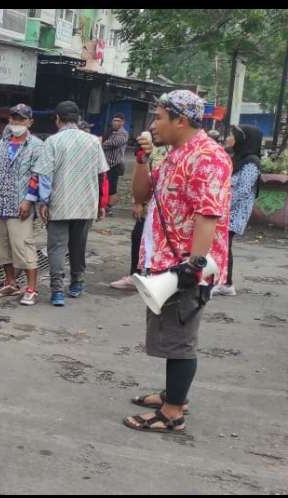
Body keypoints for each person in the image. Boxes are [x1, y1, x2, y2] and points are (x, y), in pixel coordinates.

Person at [123, 89, 231, 434]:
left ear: (179, 120)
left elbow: (208, 216)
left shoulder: (207, 156)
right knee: (169, 334)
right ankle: (173, 393)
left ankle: (172, 413)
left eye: (158, 117)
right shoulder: (173, 154)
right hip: (164, 262)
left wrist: (193, 266)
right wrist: (142, 159)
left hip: (185, 267)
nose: (153, 124)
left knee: (181, 338)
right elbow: (142, 194)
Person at [31, 100, 110, 306]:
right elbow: (102, 174)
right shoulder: (93, 141)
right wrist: (101, 203)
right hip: (86, 202)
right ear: (78, 119)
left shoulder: (53, 142)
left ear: (58, 119)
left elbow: (46, 175)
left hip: (60, 202)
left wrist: (44, 202)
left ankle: (57, 291)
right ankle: (77, 283)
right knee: (79, 245)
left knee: (56, 247)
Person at [0, 104, 45, 306]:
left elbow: (37, 174)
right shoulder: (3, 144)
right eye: (14, 119)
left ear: (30, 122)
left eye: (21, 119)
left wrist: (29, 200)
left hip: (20, 206)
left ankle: (31, 288)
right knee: (2, 248)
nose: (16, 123)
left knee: (23, 247)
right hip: (0, 204)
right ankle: (10, 283)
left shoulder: (36, 145)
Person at [109, 140, 171, 291]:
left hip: (168, 208)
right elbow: (141, 175)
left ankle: (155, 276)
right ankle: (136, 274)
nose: (155, 126)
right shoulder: (153, 150)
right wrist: (138, 202)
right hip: (149, 203)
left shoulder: (180, 151)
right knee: (138, 235)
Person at [214, 124, 263, 296]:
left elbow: (242, 190)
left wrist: (221, 207)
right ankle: (222, 281)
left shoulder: (252, 162)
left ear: (242, 140)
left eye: (232, 135)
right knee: (220, 244)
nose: (228, 138)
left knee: (224, 244)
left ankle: (226, 283)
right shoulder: (236, 157)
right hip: (226, 209)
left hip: (234, 212)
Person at [103, 113, 129, 214]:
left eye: (118, 121)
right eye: (114, 120)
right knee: (105, 186)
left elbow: (112, 143)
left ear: (123, 122)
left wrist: (100, 142)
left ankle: (108, 207)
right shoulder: (110, 131)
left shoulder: (123, 134)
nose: (116, 123)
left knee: (112, 189)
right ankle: (104, 206)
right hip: (105, 165)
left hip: (114, 165)